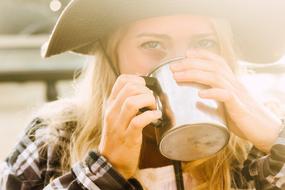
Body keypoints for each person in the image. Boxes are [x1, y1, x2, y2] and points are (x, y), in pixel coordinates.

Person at [1, 0, 285, 189]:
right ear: (113, 58)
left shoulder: (253, 144)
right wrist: (104, 170)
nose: (180, 65)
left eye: (205, 42)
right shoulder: (53, 139)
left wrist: (276, 138)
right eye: (152, 44)